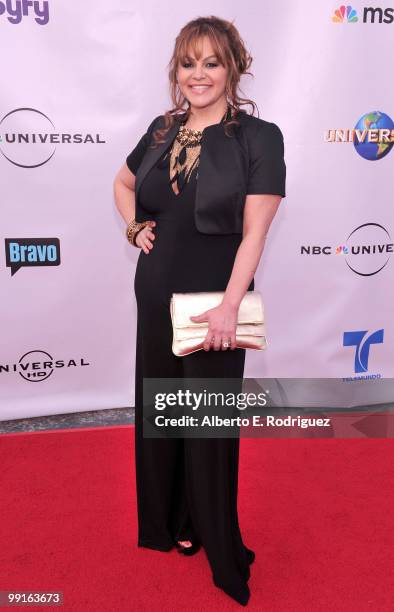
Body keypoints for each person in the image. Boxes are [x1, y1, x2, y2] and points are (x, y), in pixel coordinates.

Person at [113, 15, 286, 606]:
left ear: (232, 67)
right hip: (154, 292)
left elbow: (255, 233)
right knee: (163, 413)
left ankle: (217, 540)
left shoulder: (259, 137)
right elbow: (122, 183)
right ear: (176, 70)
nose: (199, 74)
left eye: (211, 62)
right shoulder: (163, 130)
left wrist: (230, 308)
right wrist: (135, 227)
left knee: (208, 426)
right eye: (189, 63)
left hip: (217, 299)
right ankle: (172, 525)